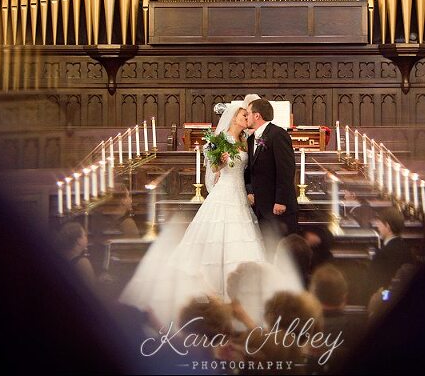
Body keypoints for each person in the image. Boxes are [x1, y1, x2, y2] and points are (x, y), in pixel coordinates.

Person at [120, 104, 300, 327]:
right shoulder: (220, 139)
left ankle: (242, 296)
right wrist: (221, 161)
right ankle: (211, 295)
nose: (246, 118)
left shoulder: (249, 140)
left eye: (248, 115)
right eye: (243, 115)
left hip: (242, 196)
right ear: (234, 118)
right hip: (224, 191)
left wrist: (252, 191)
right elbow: (214, 168)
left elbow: (253, 171)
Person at [245, 99, 300, 249]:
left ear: (257, 116)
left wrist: (281, 200)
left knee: (285, 251)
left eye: (248, 114)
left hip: (279, 206)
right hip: (261, 206)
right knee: (268, 248)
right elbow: (250, 170)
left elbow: (286, 169)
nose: (246, 117)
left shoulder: (278, 134)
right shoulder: (251, 139)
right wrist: (250, 191)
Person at [370, 207, 413, 292]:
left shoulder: (383, 254)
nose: (377, 226)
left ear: (388, 226)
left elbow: (373, 284)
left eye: (379, 223)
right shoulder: (407, 249)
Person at [55, 222, 96, 289]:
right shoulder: (82, 263)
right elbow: (92, 290)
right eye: (85, 235)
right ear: (78, 240)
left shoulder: (60, 257)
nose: (86, 238)